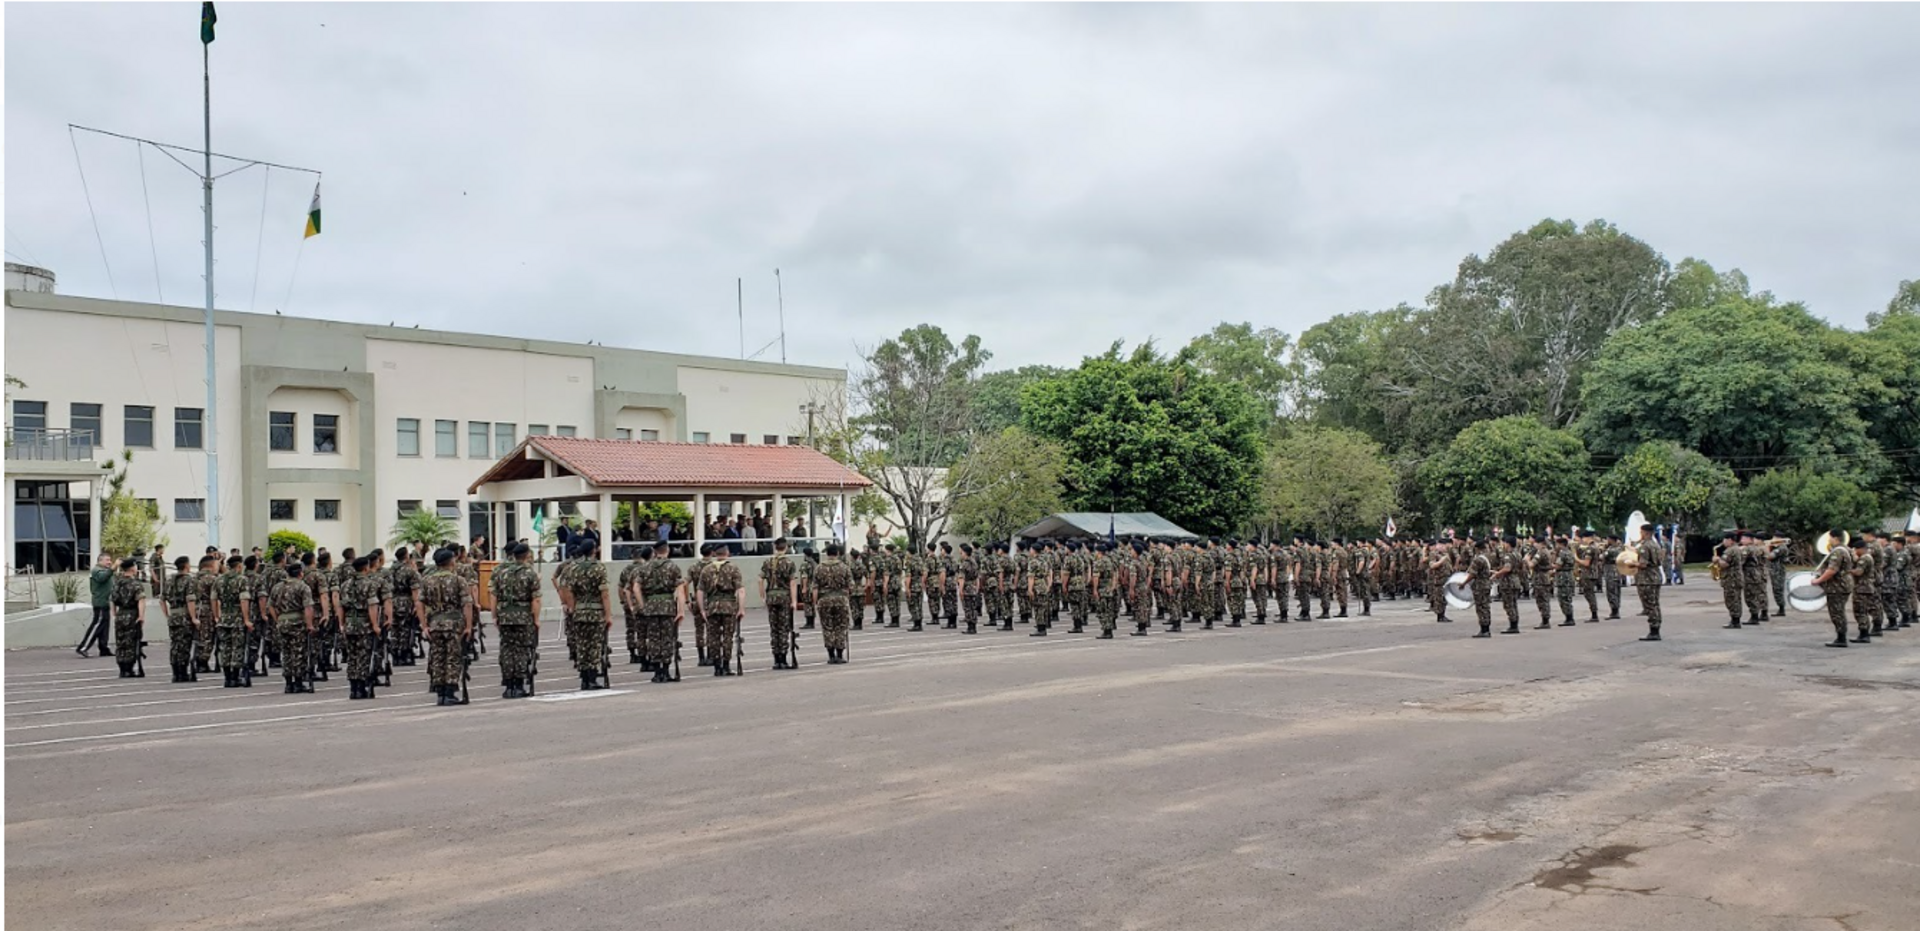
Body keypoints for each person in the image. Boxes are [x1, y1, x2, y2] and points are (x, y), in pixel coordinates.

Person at [420, 548, 475, 705]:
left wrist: (424, 625)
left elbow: (420, 603)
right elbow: (467, 605)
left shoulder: (427, 580)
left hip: (435, 624)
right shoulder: (459, 580)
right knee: (453, 657)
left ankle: (440, 693)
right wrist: (469, 626)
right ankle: (450, 691)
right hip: (453, 624)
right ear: (451, 561)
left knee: (437, 657)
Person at [560, 541, 613, 689]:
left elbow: (567, 590)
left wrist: (573, 607)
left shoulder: (573, 568)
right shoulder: (598, 568)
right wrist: (608, 615)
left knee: (582, 645)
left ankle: (584, 677)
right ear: (594, 551)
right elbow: (605, 594)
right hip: (595, 612)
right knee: (594, 645)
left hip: (579, 611)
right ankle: (592, 677)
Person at [493, 543, 542, 697]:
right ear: (527, 555)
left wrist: (495, 616)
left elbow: (493, 596)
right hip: (523, 616)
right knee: (521, 649)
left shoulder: (502, 573)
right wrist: (536, 619)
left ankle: (508, 685)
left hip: (505, 616)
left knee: (507, 650)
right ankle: (519, 685)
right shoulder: (530, 573)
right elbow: (536, 599)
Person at [637, 544, 685, 682]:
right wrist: (681, 610)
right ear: (667, 550)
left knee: (653, 638)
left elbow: (636, 587)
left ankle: (657, 671)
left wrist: (643, 604)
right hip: (667, 606)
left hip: (651, 606)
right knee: (667, 637)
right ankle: (665, 670)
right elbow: (680, 591)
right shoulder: (673, 567)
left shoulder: (645, 567)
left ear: (654, 552)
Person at [270, 563, 318, 693]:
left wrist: (278, 619)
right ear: (300, 573)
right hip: (297, 622)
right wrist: (310, 624)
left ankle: (288, 683)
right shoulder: (303, 587)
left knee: (286, 653)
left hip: (282, 621)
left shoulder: (277, 587)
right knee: (298, 652)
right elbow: (308, 607)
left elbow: (271, 606)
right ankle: (298, 682)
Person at [699, 542, 745, 676]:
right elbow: (740, 590)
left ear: (714, 554)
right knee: (727, 636)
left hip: (712, 606)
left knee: (713, 637)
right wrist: (741, 608)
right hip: (728, 606)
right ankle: (726, 665)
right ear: (727, 553)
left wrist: (702, 609)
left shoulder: (706, 569)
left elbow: (700, 591)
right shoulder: (733, 568)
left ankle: (716, 666)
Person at [340, 557, 382, 699]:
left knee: (352, 656)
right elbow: (372, 606)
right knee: (363, 656)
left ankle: (353, 688)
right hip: (364, 624)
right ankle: (361, 688)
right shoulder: (369, 584)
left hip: (349, 623)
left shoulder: (345, 585)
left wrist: (342, 623)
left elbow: (341, 607)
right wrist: (375, 625)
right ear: (366, 568)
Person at [759, 538, 799, 669]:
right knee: (783, 628)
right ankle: (783, 658)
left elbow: (760, 579)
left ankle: (776, 659)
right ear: (786, 547)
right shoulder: (789, 562)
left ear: (775, 547)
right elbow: (792, 582)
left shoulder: (767, 562)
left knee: (774, 628)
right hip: (784, 597)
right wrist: (794, 601)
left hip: (771, 596)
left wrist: (763, 596)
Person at [215, 555, 254, 687]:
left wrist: (216, 616)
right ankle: (235, 676)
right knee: (237, 647)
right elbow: (244, 600)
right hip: (237, 618)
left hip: (224, 617)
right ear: (238, 566)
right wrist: (247, 619)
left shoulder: (219, 580)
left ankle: (227, 677)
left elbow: (213, 599)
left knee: (225, 648)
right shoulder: (241, 580)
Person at [814, 543, 854, 664]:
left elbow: (815, 588)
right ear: (837, 554)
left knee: (827, 627)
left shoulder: (819, 568)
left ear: (827, 554)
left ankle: (831, 655)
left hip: (824, 600)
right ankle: (840, 654)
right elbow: (850, 586)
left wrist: (815, 602)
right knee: (841, 626)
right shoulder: (844, 567)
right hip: (841, 599)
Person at [163, 556, 199, 682]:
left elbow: (162, 599)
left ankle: (175, 672)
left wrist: (167, 614)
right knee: (184, 645)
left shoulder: (169, 580)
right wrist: (194, 617)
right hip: (184, 616)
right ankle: (182, 672)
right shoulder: (189, 580)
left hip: (173, 615)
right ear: (185, 565)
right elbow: (190, 600)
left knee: (175, 644)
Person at [110, 558, 146, 677]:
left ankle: (122, 668)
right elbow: (141, 600)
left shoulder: (117, 583)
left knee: (121, 641)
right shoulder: (135, 584)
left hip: (121, 614)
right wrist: (141, 616)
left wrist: (114, 613)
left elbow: (112, 600)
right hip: (132, 614)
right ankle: (129, 669)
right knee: (131, 641)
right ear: (132, 568)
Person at [1633, 523, 1664, 641]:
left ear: (1645, 533)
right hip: (1655, 577)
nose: (1640, 535)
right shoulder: (1656, 545)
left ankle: (1654, 631)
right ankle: (1656, 628)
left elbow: (1643, 564)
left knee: (1649, 605)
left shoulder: (1644, 546)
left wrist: (1631, 563)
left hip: (1647, 579)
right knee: (1655, 603)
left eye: (1641, 532)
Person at [82, 553, 116, 658]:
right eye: (107, 560)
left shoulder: (106, 571)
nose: (109, 562)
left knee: (105, 627)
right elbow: (102, 578)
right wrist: (113, 568)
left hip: (106, 602)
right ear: (100, 561)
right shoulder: (97, 570)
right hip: (100, 602)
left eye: (110, 560)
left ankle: (103, 648)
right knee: (97, 625)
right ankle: (83, 647)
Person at [1496, 536, 1523, 634]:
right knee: (1513, 604)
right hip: (1515, 580)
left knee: (1509, 604)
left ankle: (1513, 626)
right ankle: (1514, 624)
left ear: (1507, 543)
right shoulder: (1518, 554)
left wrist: (1497, 574)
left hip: (1508, 582)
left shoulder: (1508, 555)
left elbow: (1507, 568)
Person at [1469, 539, 1494, 637]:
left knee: (1481, 608)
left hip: (1480, 586)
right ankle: (1486, 628)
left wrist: (1463, 583)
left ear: (1477, 548)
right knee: (1486, 607)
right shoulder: (1487, 557)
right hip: (1486, 584)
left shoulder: (1478, 559)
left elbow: (1472, 574)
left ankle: (1484, 630)